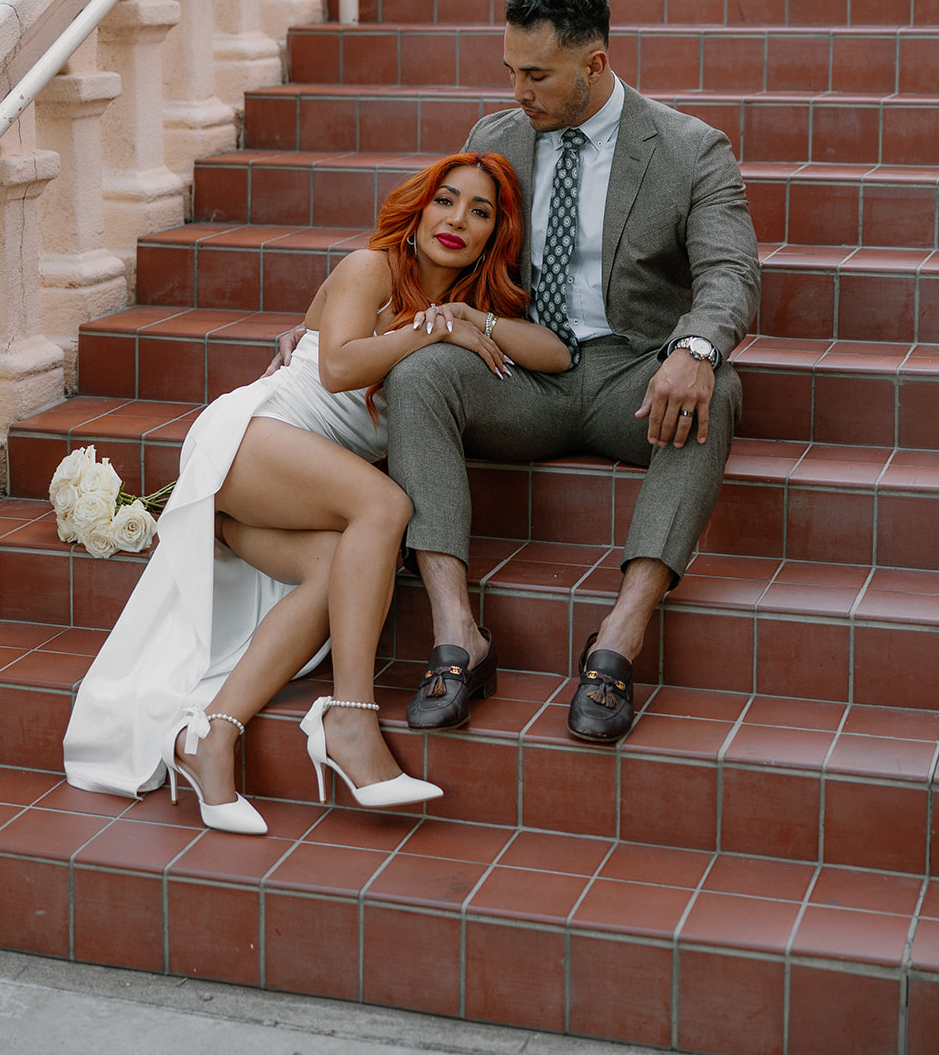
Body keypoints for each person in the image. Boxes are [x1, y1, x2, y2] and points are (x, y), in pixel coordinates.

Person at [63, 151, 569, 832]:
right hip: (253, 438)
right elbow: (331, 366)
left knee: (332, 570)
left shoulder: (463, 309)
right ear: (417, 209)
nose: (456, 220)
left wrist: (461, 317)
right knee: (386, 506)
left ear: (494, 237)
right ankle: (350, 719)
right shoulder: (372, 267)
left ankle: (213, 738)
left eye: (479, 212)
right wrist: (424, 332)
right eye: (445, 201)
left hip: (298, 478)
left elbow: (556, 356)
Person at [381, 0, 761, 744]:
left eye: (536, 75)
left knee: (715, 389)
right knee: (417, 372)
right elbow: (435, 251)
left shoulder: (689, 149)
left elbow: (729, 272)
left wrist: (692, 347)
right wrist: (333, 321)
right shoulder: (497, 139)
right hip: (520, 369)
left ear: (593, 65)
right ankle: (458, 632)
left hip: (634, 375)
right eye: (509, 72)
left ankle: (620, 634)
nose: (517, 92)